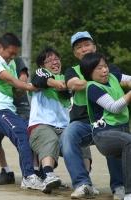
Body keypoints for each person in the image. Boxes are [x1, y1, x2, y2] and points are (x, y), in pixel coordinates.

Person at [60, 31, 124, 199]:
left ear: (94, 47)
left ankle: (120, 186)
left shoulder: (109, 68)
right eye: (79, 47)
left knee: (115, 134)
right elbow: (73, 84)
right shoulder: (72, 70)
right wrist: (96, 82)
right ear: (75, 53)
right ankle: (82, 183)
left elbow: (124, 79)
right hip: (83, 124)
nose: (84, 49)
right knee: (68, 135)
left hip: (108, 120)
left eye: (87, 44)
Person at [0, 32, 42, 190]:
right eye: (10, 53)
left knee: (26, 134)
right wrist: (32, 86)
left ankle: (33, 173)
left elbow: (16, 85)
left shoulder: (10, 63)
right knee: (20, 133)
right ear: (0, 48)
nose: (12, 57)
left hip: (9, 109)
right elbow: (11, 81)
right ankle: (28, 176)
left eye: (15, 54)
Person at [81, 52, 131, 200]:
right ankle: (129, 193)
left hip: (121, 131)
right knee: (129, 141)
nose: (104, 70)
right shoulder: (92, 87)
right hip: (103, 135)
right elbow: (114, 107)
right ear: (89, 72)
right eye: (99, 68)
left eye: (105, 66)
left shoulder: (114, 78)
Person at [28, 47, 70, 193]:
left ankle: (83, 180)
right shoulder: (41, 74)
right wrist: (57, 84)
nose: (54, 62)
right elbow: (38, 79)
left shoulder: (67, 77)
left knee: (77, 138)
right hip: (41, 124)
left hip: (65, 126)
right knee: (50, 138)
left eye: (56, 59)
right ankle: (48, 175)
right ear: (42, 65)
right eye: (49, 60)